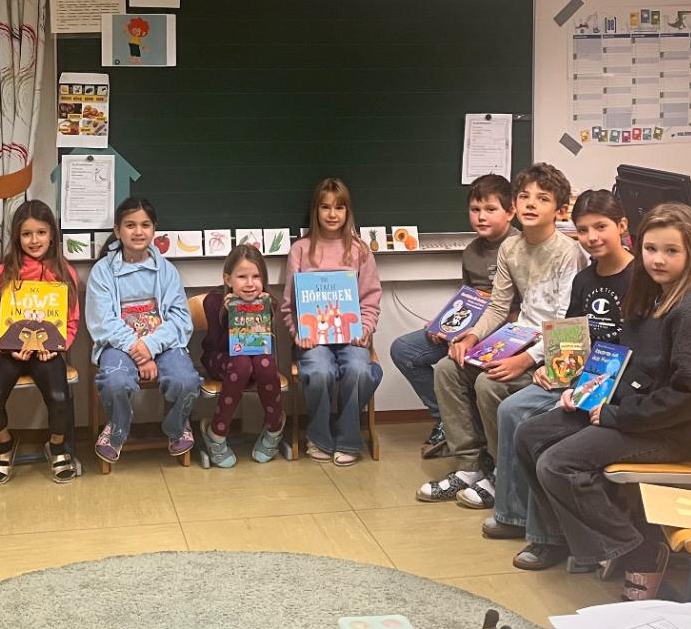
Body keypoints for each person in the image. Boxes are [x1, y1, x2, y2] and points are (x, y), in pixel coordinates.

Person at [512, 202, 691, 596]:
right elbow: (625, 362)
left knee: (558, 464)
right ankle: (588, 541)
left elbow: (690, 397)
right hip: (632, 412)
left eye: (671, 251)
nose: (658, 260)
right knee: (529, 435)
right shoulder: (650, 295)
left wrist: (617, 415)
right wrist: (584, 391)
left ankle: (642, 552)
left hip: (667, 430)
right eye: (650, 249)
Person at [417, 163, 586, 506]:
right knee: (447, 369)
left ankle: (500, 473)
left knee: (489, 383)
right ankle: (469, 467)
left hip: (554, 349)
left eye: (542, 198)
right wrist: (470, 337)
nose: (531, 203)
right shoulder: (511, 248)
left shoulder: (568, 252)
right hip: (519, 337)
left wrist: (524, 360)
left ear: (560, 209)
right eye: (524, 196)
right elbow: (498, 306)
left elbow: (566, 323)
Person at [482, 189, 633, 549]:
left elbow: (639, 346)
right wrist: (553, 366)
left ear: (622, 226)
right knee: (510, 408)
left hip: (615, 386)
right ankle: (512, 513)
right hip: (579, 375)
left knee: (539, 425)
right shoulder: (586, 280)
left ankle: (547, 537)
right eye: (583, 230)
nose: (592, 237)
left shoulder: (639, 278)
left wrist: (583, 385)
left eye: (601, 227)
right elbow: (572, 334)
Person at [390, 174, 517, 458]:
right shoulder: (472, 251)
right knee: (404, 350)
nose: (481, 217)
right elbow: (468, 297)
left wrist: (474, 331)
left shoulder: (519, 246)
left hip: (502, 331)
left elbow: (516, 309)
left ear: (510, 212)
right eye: (475, 209)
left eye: (490, 209)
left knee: (451, 365)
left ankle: (468, 429)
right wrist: (444, 322)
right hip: (469, 327)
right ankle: (448, 422)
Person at [87, 196, 200, 464]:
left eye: (145, 225)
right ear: (117, 231)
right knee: (114, 382)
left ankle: (176, 426)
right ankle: (117, 428)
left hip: (163, 345)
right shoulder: (102, 272)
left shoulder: (166, 271)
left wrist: (150, 346)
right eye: (130, 225)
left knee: (187, 381)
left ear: (154, 229)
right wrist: (139, 351)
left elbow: (180, 318)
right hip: (119, 347)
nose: (138, 232)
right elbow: (102, 321)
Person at [280, 177, 382, 467]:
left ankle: (348, 437)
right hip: (313, 338)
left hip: (352, 335)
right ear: (315, 211)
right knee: (320, 371)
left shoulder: (360, 250)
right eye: (325, 207)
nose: (332, 214)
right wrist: (297, 332)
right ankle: (319, 436)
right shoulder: (301, 250)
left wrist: (366, 328)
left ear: (348, 211)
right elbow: (289, 305)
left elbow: (371, 298)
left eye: (339, 207)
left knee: (360, 370)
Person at [0, 200, 80, 484]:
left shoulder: (64, 272)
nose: (34, 240)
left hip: (47, 353)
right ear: (16, 237)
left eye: (41, 232)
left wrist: (58, 346)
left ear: (52, 235)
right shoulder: (5, 272)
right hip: (9, 352)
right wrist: (4, 347)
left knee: (60, 397)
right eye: (26, 234)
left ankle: (56, 447)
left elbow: (71, 321)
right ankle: (5, 445)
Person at [198, 245, 286, 467]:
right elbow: (216, 343)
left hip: (256, 359)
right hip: (221, 356)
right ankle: (216, 432)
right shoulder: (214, 301)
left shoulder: (268, 301)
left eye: (256, 276)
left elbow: (265, 346)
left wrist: (262, 311)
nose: (250, 283)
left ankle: (274, 427)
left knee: (265, 364)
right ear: (228, 279)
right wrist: (231, 315)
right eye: (242, 277)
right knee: (241, 364)